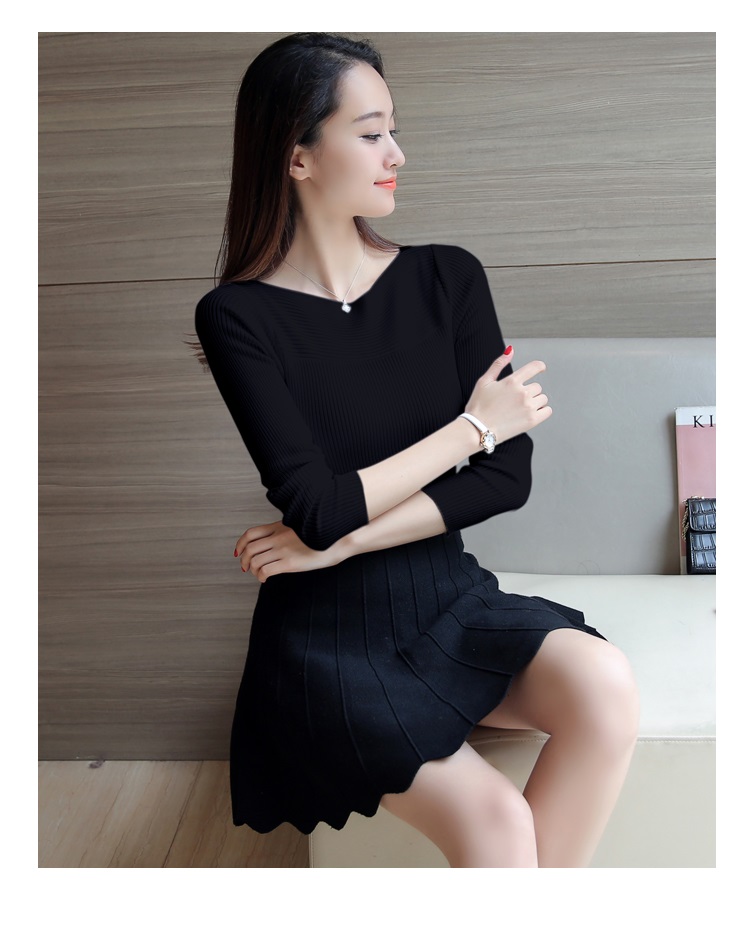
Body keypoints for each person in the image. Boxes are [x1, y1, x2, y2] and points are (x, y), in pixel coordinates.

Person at [192, 31, 640, 868]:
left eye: (393, 129)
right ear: (297, 156)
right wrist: (473, 427)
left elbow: (506, 480)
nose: (396, 154)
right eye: (370, 133)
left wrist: (343, 542)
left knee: (605, 684)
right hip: (327, 640)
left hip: (447, 598)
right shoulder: (237, 317)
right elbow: (316, 506)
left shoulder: (449, 278)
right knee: (497, 824)